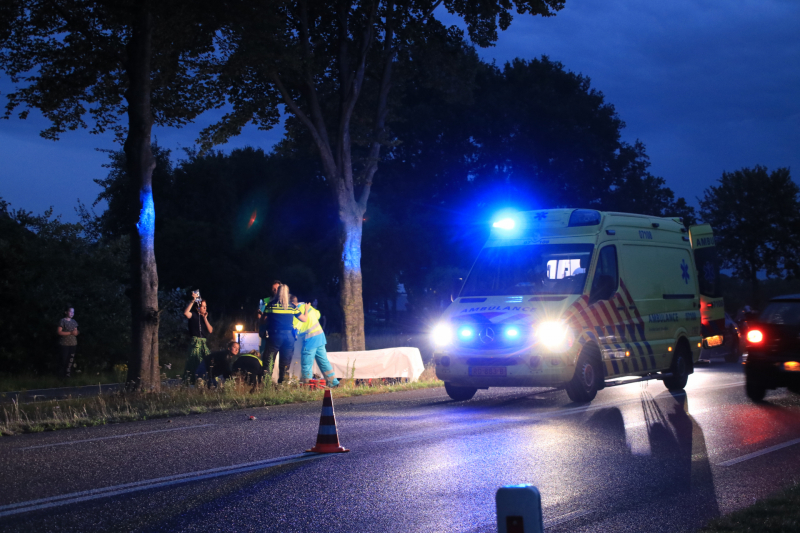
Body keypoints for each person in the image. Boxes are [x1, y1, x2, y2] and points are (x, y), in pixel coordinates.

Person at [262, 284, 310, 383]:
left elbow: (263, 321)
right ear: (287, 293)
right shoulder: (292, 306)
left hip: (275, 336)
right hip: (289, 337)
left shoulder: (271, 305)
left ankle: (266, 384)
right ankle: (282, 385)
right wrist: (306, 310)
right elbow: (304, 319)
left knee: (269, 360)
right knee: (285, 363)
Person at [294, 297, 340, 388]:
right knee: (323, 361)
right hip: (320, 337)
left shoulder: (295, 312)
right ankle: (333, 383)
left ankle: (307, 385)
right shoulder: (306, 306)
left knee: (306, 363)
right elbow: (318, 314)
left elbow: (296, 328)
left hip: (310, 339)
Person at [183, 291, 214, 382]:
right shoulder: (194, 315)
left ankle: (208, 378)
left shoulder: (204, 317)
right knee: (194, 360)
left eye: (206, 306)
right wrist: (193, 301)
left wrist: (205, 318)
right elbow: (186, 313)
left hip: (203, 342)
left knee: (208, 359)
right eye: (203, 306)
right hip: (195, 342)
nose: (205, 308)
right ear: (198, 307)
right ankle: (192, 379)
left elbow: (210, 330)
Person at [56, 305, 79, 377]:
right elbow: (59, 332)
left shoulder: (74, 321)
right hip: (64, 344)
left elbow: (76, 331)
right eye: (70, 312)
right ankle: (61, 376)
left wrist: (76, 332)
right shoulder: (62, 321)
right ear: (66, 312)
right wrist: (70, 333)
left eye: (73, 312)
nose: (72, 313)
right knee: (63, 360)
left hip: (73, 344)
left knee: (70, 361)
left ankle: (68, 376)